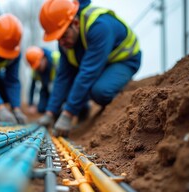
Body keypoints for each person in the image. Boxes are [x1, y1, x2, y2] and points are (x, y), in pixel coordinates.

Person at [38, 0, 141, 136]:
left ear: (75, 23)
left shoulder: (99, 26)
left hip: (125, 60)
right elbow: (63, 77)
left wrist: (68, 114)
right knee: (76, 89)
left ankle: (124, 95)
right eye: (57, 38)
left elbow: (87, 73)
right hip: (102, 63)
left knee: (100, 91)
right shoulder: (66, 43)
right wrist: (50, 112)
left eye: (63, 35)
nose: (61, 42)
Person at [25, 46, 60, 114]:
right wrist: (31, 104)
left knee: (57, 109)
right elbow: (32, 86)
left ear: (43, 58)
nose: (38, 69)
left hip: (59, 87)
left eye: (39, 66)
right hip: (45, 87)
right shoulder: (35, 69)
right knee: (41, 108)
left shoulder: (57, 60)